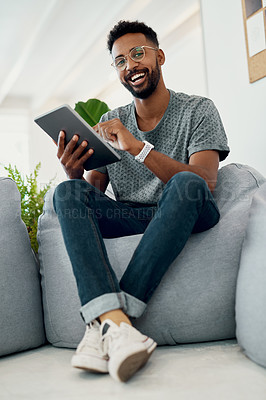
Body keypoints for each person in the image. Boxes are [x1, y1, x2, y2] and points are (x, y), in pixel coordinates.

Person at [53, 20, 230, 383]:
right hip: (133, 215)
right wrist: (73, 173)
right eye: (120, 61)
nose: (130, 65)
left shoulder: (198, 110)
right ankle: (115, 325)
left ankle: (108, 321)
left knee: (186, 183)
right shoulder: (109, 120)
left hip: (187, 209)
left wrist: (137, 146)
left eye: (138, 54)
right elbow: (93, 195)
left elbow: (205, 182)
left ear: (159, 56)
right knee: (67, 193)